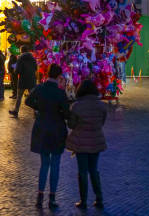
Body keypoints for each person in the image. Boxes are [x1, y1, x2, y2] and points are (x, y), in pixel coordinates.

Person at [25, 63, 70, 210]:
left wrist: (40, 108)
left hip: (42, 128)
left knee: (44, 164)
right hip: (56, 130)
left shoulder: (40, 88)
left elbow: (28, 100)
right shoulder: (60, 92)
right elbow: (67, 113)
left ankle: (39, 196)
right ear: (58, 76)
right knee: (55, 164)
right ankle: (52, 198)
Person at [66, 80, 107, 210]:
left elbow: (71, 124)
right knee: (94, 170)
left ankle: (83, 201)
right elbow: (102, 122)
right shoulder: (101, 106)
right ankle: (99, 198)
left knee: (82, 172)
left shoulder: (77, 106)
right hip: (96, 141)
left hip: (80, 142)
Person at [9, 45, 38, 118]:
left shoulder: (20, 59)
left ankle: (16, 111)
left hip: (23, 80)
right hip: (31, 79)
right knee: (33, 96)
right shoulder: (33, 58)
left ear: (21, 51)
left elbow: (17, 70)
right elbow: (36, 68)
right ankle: (36, 111)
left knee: (19, 97)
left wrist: (14, 70)